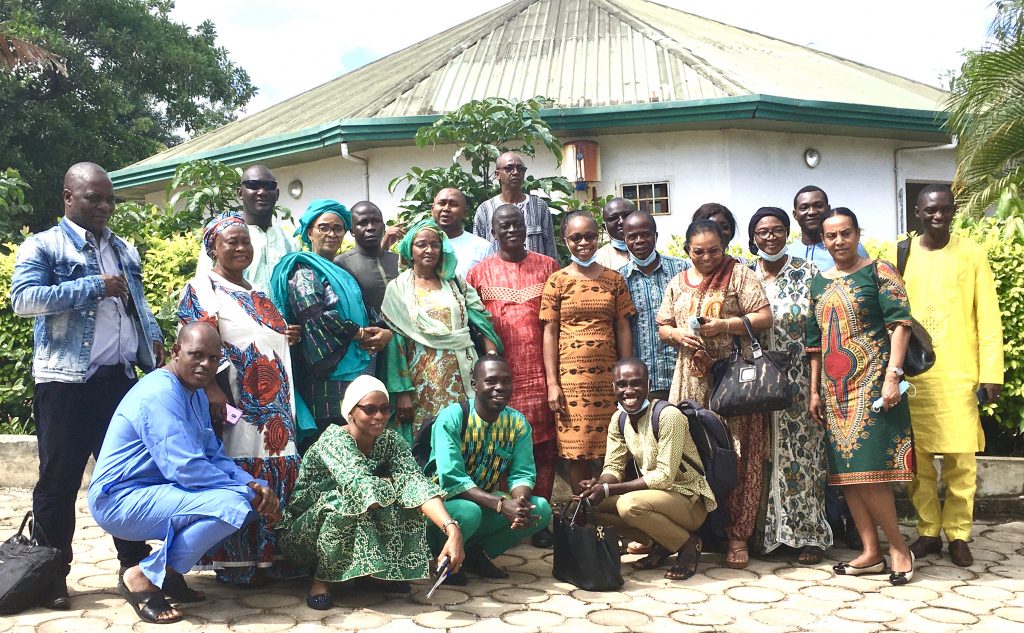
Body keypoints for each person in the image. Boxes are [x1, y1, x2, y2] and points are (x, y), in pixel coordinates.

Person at [10, 162, 160, 610]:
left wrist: (152, 349)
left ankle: (135, 568)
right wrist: (93, 286)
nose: (104, 206)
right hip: (66, 384)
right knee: (58, 482)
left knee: (122, 476)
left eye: (109, 198)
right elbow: (23, 300)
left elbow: (136, 304)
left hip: (119, 381)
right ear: (68, 197)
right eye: (93, 197)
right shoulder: (44, 245)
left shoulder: (123, 248)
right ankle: (51, 575)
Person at [88, 322, 281, 624]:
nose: (206, 365)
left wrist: (252, 484)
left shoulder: (195, 393)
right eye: (196, 355)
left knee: (254, 498)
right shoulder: (160, 393)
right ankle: (141, 576)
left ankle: (166, 575)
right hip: (119, 500)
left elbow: (213, 456)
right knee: (232, 505)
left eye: (214, 359)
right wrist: (243, 492)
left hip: (160, 491)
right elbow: (186, 468)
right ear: (176, 352)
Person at [177, 213, 301, 586]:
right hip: (237, 402)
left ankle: (271, 557)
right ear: (213, 245)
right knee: (242, 470)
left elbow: (261, 335)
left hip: (276, 404)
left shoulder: (257, 292)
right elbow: (198, 342)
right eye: (231, 240)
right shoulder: (203, 288)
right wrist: (213, 392)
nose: (241, 247)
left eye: (245, 240)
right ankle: (237, 562)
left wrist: (284, 335)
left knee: (276, 466)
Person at [279, 375, 465, 608]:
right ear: (350, 412)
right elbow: (361, 488)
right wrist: (395, 483)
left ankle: (373, 574)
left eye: (385, 409)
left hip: (358, 510)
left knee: (407, 499)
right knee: (344, 501)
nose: (379, 416)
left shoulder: (391, 441)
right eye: (370, 409)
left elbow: (416, 483)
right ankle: (321, 581)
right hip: (303, 535)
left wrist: (451, 529)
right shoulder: (334, 440)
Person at [806, 207, 916, 586]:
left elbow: (900, 324)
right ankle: (871, 552)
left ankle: (899, 548)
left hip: (873, 386)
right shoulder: (818, 283)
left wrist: (893, 376)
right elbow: (815, 343)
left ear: (857, 233)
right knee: (848, 477)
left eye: (845, 233)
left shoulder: (879, 271)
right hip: (834, 395)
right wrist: (813, 391)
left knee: (871, 475)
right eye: (831, 236)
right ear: (823, 240)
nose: (839, 242)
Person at [656, 220, 771, 569]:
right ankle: (694, 531)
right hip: (691, 382)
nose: (707, 257)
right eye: (698, 251)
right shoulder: (677, 282)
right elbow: (662, 325)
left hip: (733, 383)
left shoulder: (740, 275)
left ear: (724, 246)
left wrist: (724, 326)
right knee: (691, 456)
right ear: (687, 250)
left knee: (737, 456)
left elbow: (765, 317)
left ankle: (737, 535)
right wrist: (677, 335)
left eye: (714, 250)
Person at [903, 185, 1004, 568]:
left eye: (944, 210)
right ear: (917, 212)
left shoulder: (972, 254)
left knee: (962, 459)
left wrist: (991, 372)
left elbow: (989, 318)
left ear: (953, 211)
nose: (937, 216)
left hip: (960, 373)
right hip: (916, 377)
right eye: (930, 210)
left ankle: (959, 533)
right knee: (920, 461)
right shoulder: (902, 254)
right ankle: (928, 531)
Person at [466, 204, 560, 548]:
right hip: (500, 377)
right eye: (503, 226)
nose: (511, 231)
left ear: (527, 228)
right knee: (502, 444)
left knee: (545, 448)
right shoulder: (478, 274)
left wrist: (555, 379)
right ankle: (507, 515)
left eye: (517, 225)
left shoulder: (549, 267)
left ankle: (540, 518)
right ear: (492, 232)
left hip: (542, 372)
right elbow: (473, 325)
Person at [747, 207, 832, 564]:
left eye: (778, 230)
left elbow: (818, 335)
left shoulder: (808, 272)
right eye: (763, 232)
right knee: (763, 458)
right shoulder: (743, 276)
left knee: (805, 458)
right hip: (757, 386)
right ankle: (769, 538)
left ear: (788, 232)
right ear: (753, 238)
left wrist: (815, 389)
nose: (770, 237)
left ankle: (808, 536)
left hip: (798, 383)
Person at [269, 200, 390, 448]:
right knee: (330, 442)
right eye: (324, 227)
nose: (332, 234)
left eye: (338, 228)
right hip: (326, 377)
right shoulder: (303, 268)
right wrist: (359, 334)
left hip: (357, 371)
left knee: (357, 442)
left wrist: (382, 332)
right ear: (309, 231)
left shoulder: (342, 272)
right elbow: (313, 315)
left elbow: (364, 312)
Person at [580, 358, 715, 580]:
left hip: (689, 500)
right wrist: (599, 484)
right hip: (656, 498)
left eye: (636, 383)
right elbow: (613, 466)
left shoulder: (668, 415)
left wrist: (609, 490)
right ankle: (662, 542)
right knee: (588, 504)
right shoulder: (618, 419)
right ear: (613, 387)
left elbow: (664, 477)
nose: (629, 391)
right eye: (622, 385)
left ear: (649, 385)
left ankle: (689, 544)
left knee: (629, 504)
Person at [425, 356, 552, 584]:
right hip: (444, 508)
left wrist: (519, 504)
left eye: (506, 381)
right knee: (469, 511)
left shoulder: (517, 423)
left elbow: (522, 473)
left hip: (484, 503)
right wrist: (502, 505)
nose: (500, 388)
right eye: (491, 381)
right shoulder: (453, 417)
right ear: (475, 384)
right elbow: (452, 480)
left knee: (539, 509)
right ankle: (441, 556)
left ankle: (474, 553)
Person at [379, 219, 500, 442]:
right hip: (421, 382)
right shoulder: (398, 288)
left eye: (435, 244)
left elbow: (481, 318)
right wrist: (402, 391)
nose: (429, 250)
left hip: (464, 373)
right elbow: (396, 341)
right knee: (426, 439)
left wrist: (491, 357)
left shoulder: (456, 283)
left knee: (465, 433)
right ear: (409, 249)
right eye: (422, 244)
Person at [541, 211, 635, 493]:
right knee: (577, 451)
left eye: (590, 236)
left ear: (599, 237)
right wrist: (552, 383)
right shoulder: (557, 281)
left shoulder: (614, 280)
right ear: (564, 240)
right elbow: (550, 332)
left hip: (608, 380)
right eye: (576, 237)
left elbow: (622, 327)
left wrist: (625, 376)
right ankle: (583, 518)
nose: (584, 243)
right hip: (571, 384)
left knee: (616, 447)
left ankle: (611, 517)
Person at [619, 210, 691, 402]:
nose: (640, 240)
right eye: (632, 236)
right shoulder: (618, 279)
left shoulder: (682, 270)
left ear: (656, 236)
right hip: (642, 383)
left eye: (646, 234)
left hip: (682, 375)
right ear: (624, 240)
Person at [196, 165, 296, 292]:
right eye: (253, 185)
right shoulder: (221, 238)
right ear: (240, 193)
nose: (262, 192)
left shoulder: (289, 241)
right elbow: (202, 287)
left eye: (269, 186)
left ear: (277, 194)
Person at [473, 152, 557, 258]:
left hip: (535, 272)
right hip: (496, 273)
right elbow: (478, 251)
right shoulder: (485, 210)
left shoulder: (539, 207)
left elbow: (550, 249)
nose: (516, 172)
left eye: (520, 168)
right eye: (509, 168)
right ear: (497, 174)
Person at [334, 201, 400, 319]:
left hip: (404, 334)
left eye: (376, 221)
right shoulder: (340, 265)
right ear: (352, 231)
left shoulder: (399, 261)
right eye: (362, 223)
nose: (371, 228)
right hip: (368, 335)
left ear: (384, 227)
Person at [787, 185, 868, 270]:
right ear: (795, 214)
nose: (812, 212)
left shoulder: (851, 249)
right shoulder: (788, 253)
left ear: (828, 209)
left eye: (818, 206)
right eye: (804, 208)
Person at [432, 187, 492, 279]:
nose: (446, 209)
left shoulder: (483, 247)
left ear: (465, 213)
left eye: (453, 204)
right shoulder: (420, 245)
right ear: (432, 210)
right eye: (442, 203)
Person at [594, 197, 634, 269]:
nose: (621, 221)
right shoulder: (598, 260)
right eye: (614, 218)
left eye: (627, 215)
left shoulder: (649, 255)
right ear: (604, 227)